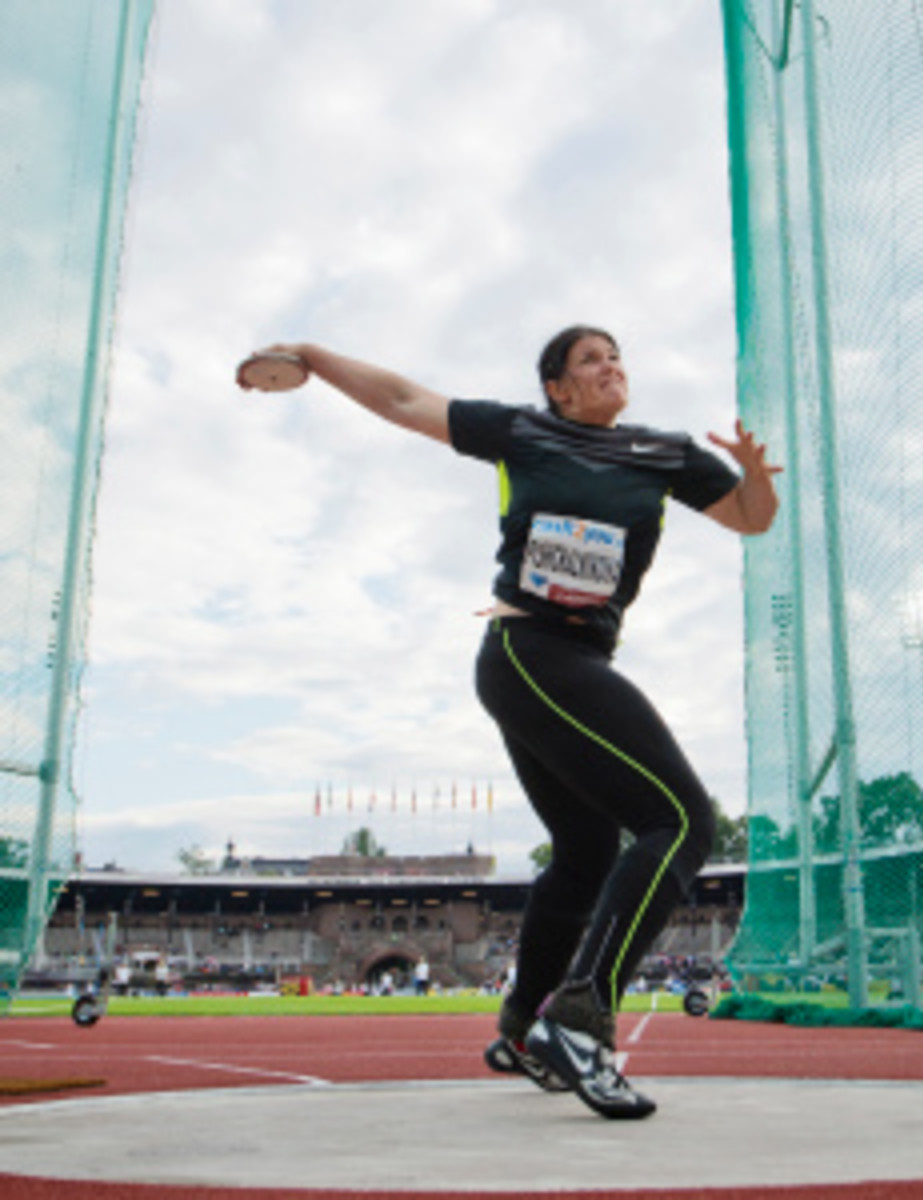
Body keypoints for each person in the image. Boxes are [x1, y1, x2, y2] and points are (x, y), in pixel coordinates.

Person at [241, 326, 780, 1118]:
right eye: (590, 359)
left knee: (590, 847)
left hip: (575, 663)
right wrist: (315, 359)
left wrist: (757, 476)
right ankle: (582, 1016)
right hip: (527, 650)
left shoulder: (662, 453)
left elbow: (750, 518)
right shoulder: (523, 431)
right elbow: (403, 399)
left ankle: (523, 1027)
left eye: (616, 355)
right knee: (680, 820)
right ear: (557, 388)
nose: (611, 366)